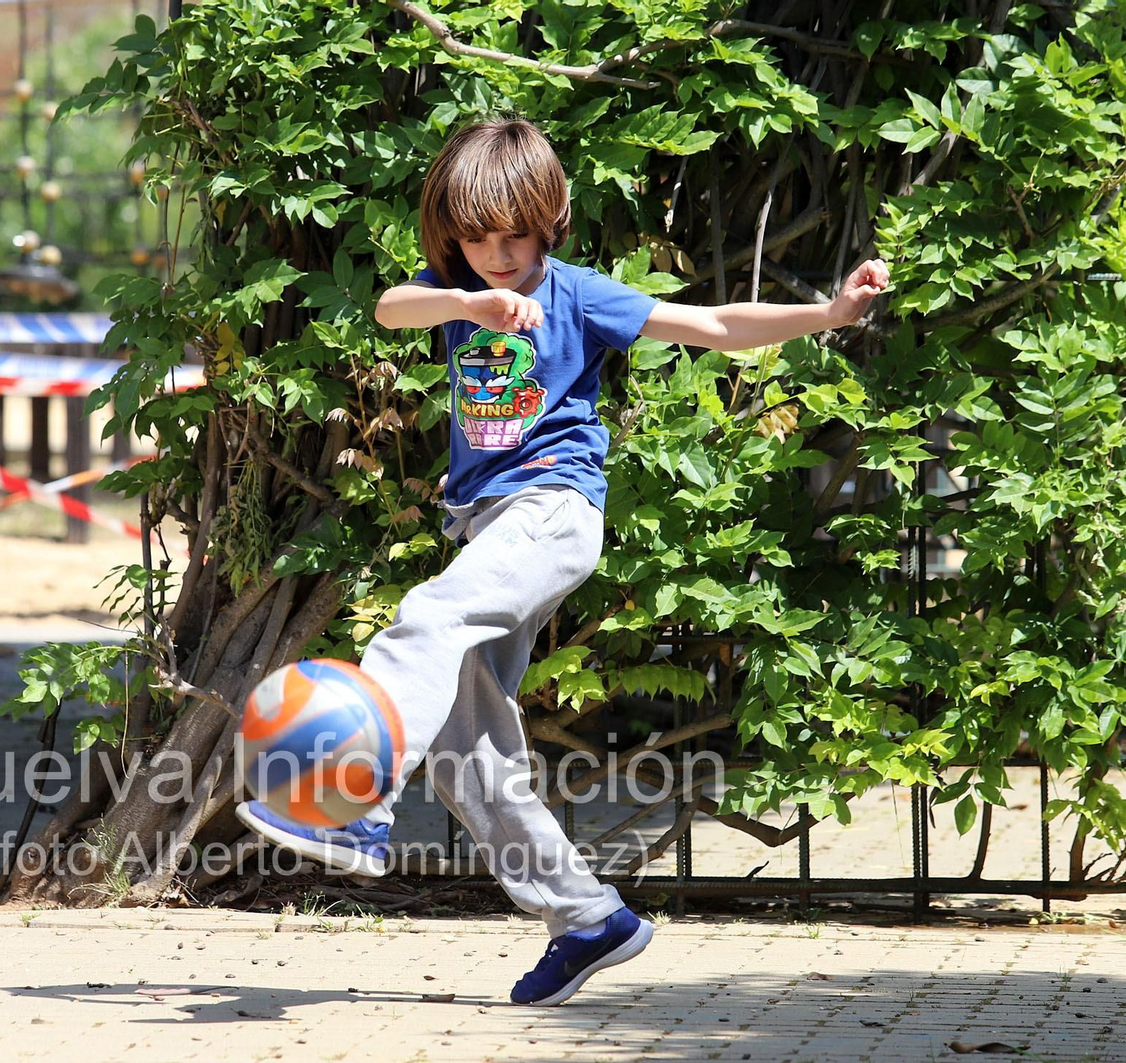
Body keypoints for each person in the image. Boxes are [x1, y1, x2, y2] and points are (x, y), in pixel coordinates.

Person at [235, 116, 890, 1007]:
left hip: (551, 512)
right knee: (467, 750)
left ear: (550, 220)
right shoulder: (458, 291)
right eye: (478, 239)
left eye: (515, 236)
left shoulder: (578, 294)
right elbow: (390, 306)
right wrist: (467, 305)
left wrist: (829, 313)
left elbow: (712, 323)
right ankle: (586, 917)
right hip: (488, 526)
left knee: (426, 618)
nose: (498, 256)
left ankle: (359, 801)